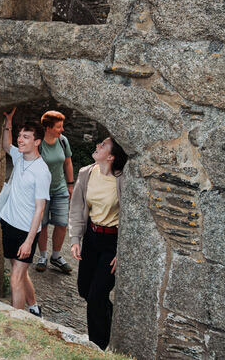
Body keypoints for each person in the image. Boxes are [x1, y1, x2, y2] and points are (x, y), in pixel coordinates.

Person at [68, 136, 129, 350]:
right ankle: (109, 321)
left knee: (96, 296)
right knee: (85, 290)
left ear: (111, 157)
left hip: (113, 242)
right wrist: (76, 239)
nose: (97, 146)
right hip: (92, 238)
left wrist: (123, 252)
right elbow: (76, 207)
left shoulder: (123, 180)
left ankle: (97, 347)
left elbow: (132, 219)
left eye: (103, 145)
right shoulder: (86, 173)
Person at [0, 108, 51, 318]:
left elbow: (40, 209)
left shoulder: (41, 171)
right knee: (19, 270)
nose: (20, 140)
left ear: (37, 142)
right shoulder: (19, 157)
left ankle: (15, 322)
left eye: (26, 137)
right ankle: (34, 306)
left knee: (16, 277)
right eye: (20, 135)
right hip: (8, 223)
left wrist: (29, 241)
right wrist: (8, 123)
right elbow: (6, 145)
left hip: (26, 230)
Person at [35, 110, 74, 274]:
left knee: (62, 224)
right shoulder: (38, 144)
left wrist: (70, 184)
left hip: (60, 189)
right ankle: (43, 256)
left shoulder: (63, 141)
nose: (62, 130)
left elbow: (68, 163)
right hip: (41, 192)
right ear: (48, 127)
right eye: (58, 127)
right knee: (42, 224)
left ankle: (56, 256)